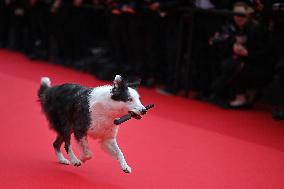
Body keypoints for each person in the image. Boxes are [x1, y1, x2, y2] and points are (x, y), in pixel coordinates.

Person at [209, 1, 270, 108]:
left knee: (230, 65)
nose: (238, 18)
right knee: (216, 88)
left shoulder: (257, 29)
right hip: (239, 63)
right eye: (235, 15)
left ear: (248, 14)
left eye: (242, 15)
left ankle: (243, 95)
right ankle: (244, 93)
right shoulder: (233, 28)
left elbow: (266, 54)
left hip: (258, 67)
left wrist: (247, 53)